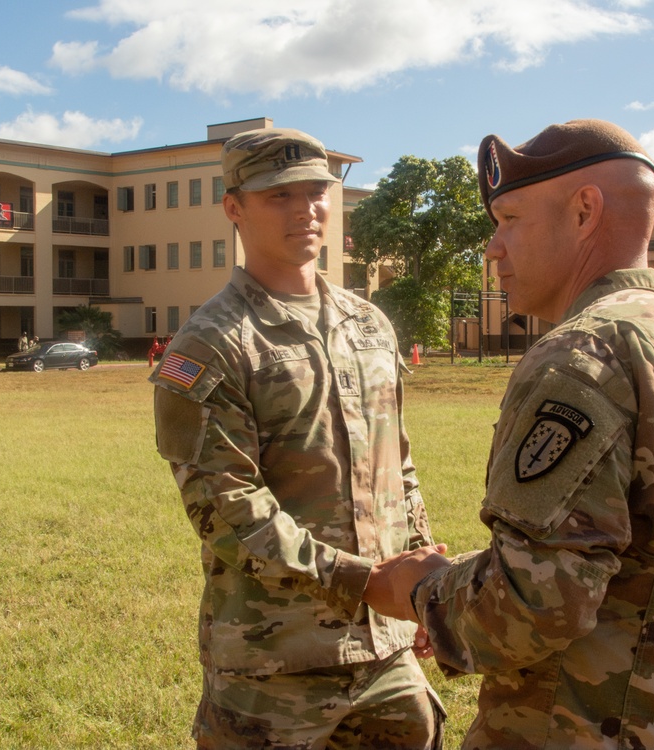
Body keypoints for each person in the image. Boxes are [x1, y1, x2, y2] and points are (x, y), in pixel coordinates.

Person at [362, 119, 654, 749]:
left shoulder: (583, 355)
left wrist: (423, 589)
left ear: (585, 210)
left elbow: (534, 602)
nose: (492, 248)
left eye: (509, 219)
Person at [150, 127, 445, 749]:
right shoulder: (211, 344)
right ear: (234, 207)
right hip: (276, 662)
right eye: (279, 195)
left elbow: (399, 466)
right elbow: (227, 513)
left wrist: (420, 578)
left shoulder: (368, 324)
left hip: (387, 654)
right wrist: (367, 582)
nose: (306, 209)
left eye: (316, 191)